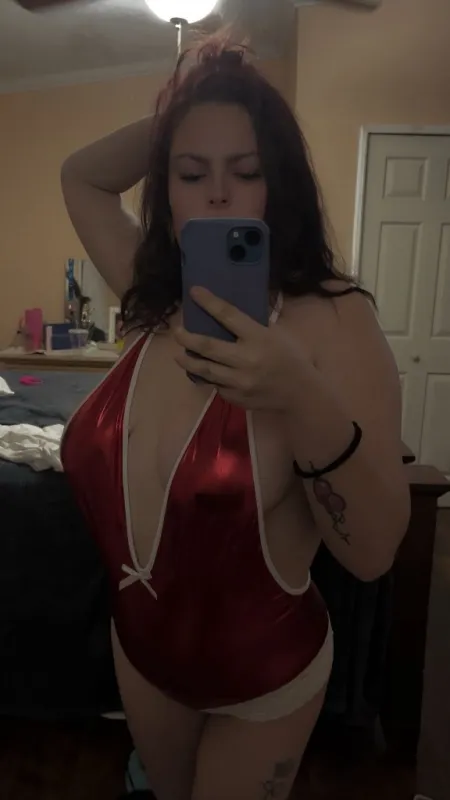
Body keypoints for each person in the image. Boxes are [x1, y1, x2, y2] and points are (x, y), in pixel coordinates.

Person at [60, 36, 410, 800]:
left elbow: (375, 552)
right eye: (191, 174)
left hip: (264, 677)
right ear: (167, 190)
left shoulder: (335, 321)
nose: (217, 194)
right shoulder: (155, 295)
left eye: (246, 171)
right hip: (143, 657)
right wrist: (186, 106)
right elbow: (80, 175)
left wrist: (298, 393)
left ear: (278, 184)